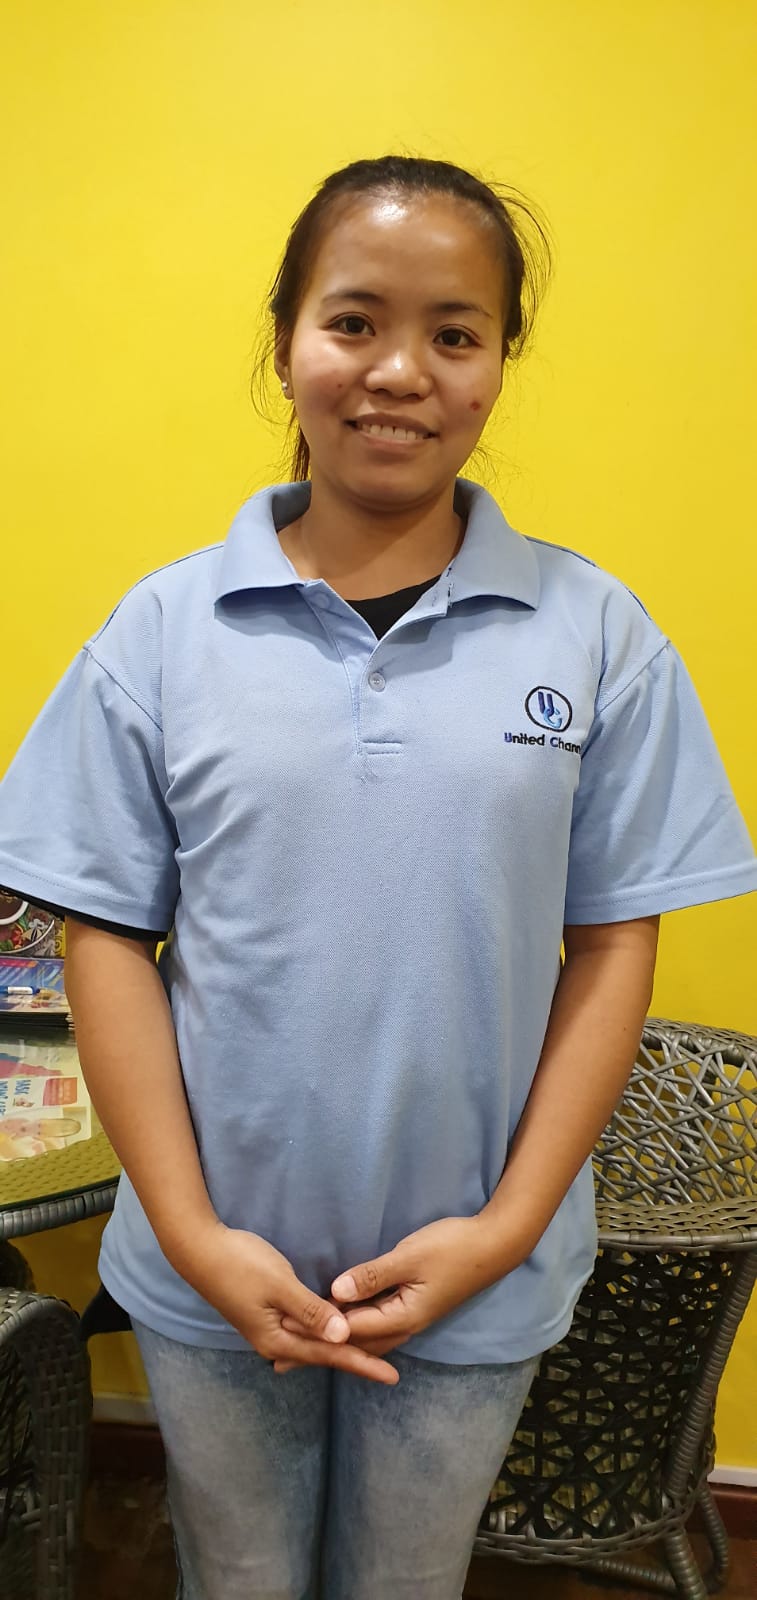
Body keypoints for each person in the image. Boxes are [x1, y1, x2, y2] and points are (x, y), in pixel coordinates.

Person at [0, 154, 755, 1600]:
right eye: (353, 321)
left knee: (407, 1580)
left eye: (454, 333)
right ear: (285, 337)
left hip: (474, 1268)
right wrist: (196, 1236)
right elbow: (102, 937)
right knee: (237, 1576)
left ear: (499, 359)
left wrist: (503, 1231)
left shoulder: (597, 634)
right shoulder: (162, 631)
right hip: (214, 1262)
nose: (400, 371)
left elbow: (612, 945)